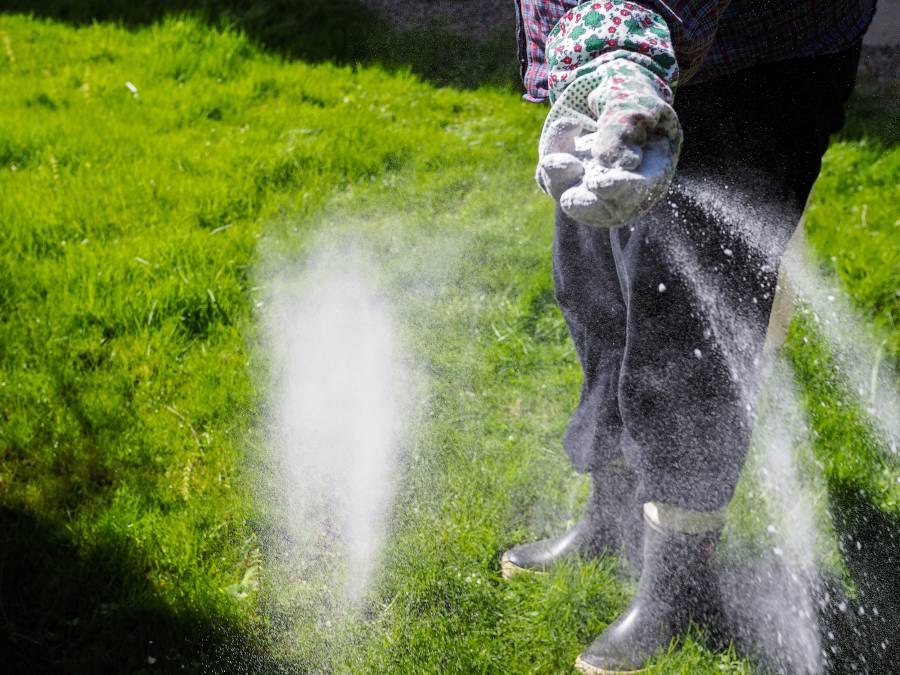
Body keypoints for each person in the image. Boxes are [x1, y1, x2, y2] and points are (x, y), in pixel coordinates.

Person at [502, 1, 876, 672]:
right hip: (621, 56)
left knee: (688, 329)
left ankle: (677, 583)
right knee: (595, 283)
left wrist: (623, 50)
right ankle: (612, 516)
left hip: (754, 56)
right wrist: (593, 65)